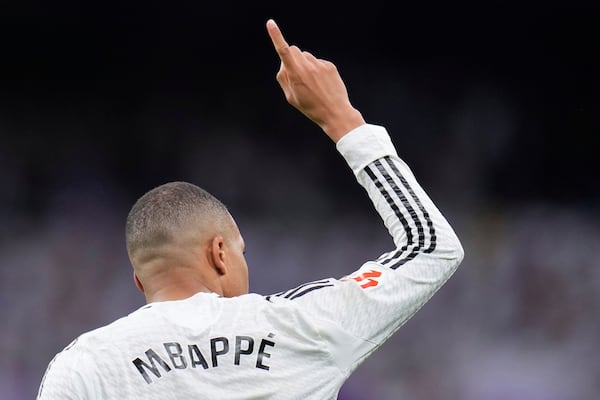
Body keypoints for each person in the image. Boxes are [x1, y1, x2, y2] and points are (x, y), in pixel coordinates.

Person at [37, 19, 464, 399]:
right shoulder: (299, 326)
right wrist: (342, 118)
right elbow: (433, 249)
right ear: (219, 253)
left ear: (139, 279)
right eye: (242, 251)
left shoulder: (84, 367)